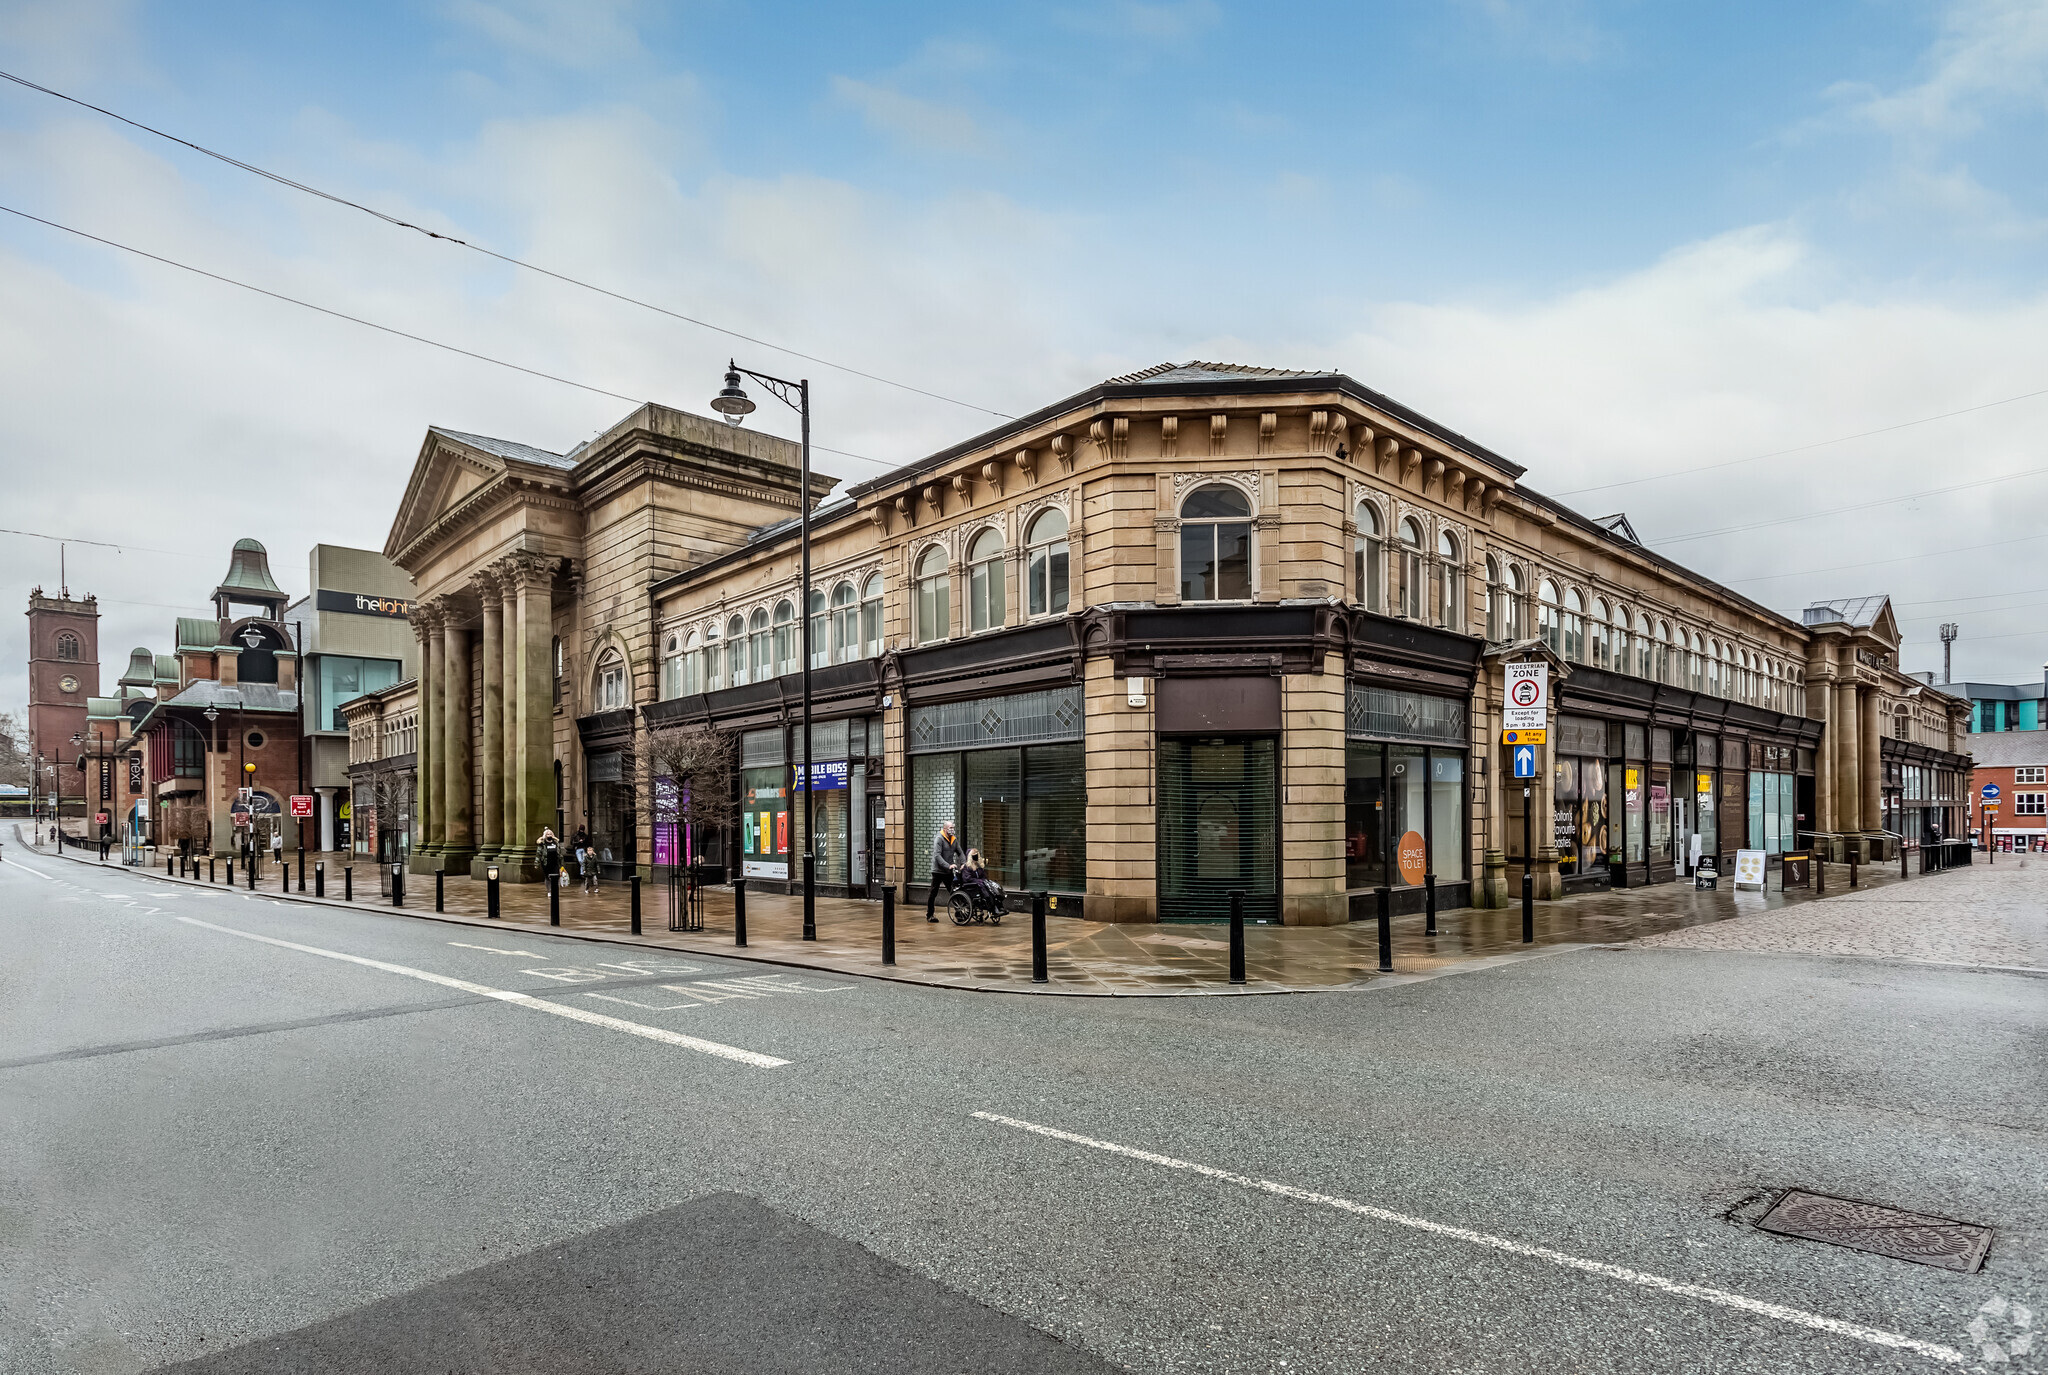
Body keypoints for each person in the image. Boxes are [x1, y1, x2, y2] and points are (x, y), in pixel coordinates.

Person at [925, 820, 963, 922]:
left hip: (947, 871)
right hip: (938, 870)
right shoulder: (939, 839)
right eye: (950, 828)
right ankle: (930, 915)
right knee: (933, 893)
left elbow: (960, 852)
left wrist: (963, 863)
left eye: (953, 828)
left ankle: (959, 914)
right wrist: (948, 865)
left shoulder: (953, 840)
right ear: (945, 829)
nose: (952, 830)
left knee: (954, 891)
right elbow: (937, 856)